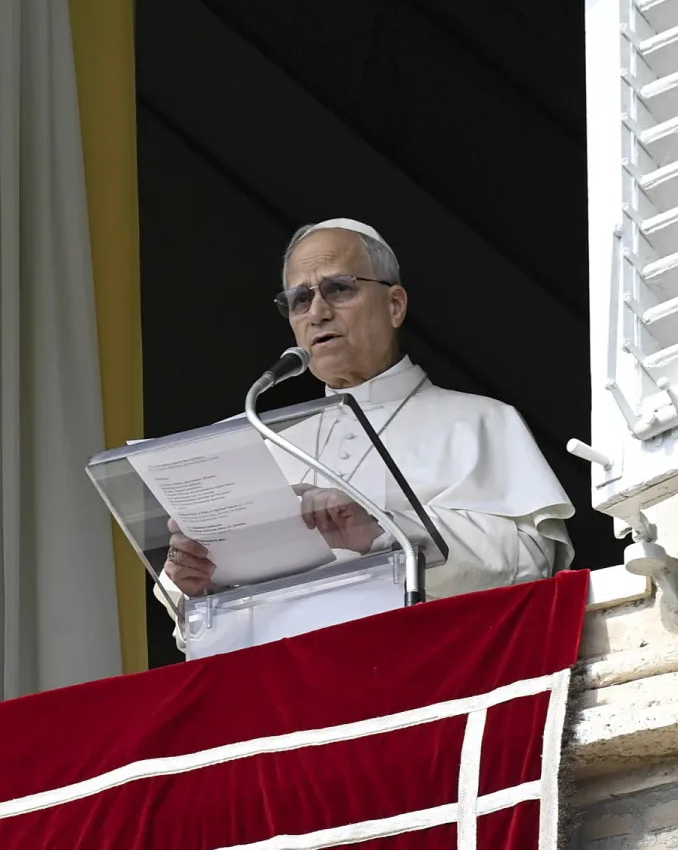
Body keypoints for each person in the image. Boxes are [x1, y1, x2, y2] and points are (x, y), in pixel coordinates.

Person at [160, 218, 576, 613]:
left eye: (338, 288)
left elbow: (533, 564)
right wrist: (193, 584)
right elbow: (193, 619)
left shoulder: (480, 420)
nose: (317, 312)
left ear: (395, 304)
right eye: (299, 299)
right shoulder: (260, 442)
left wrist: (385, 531)